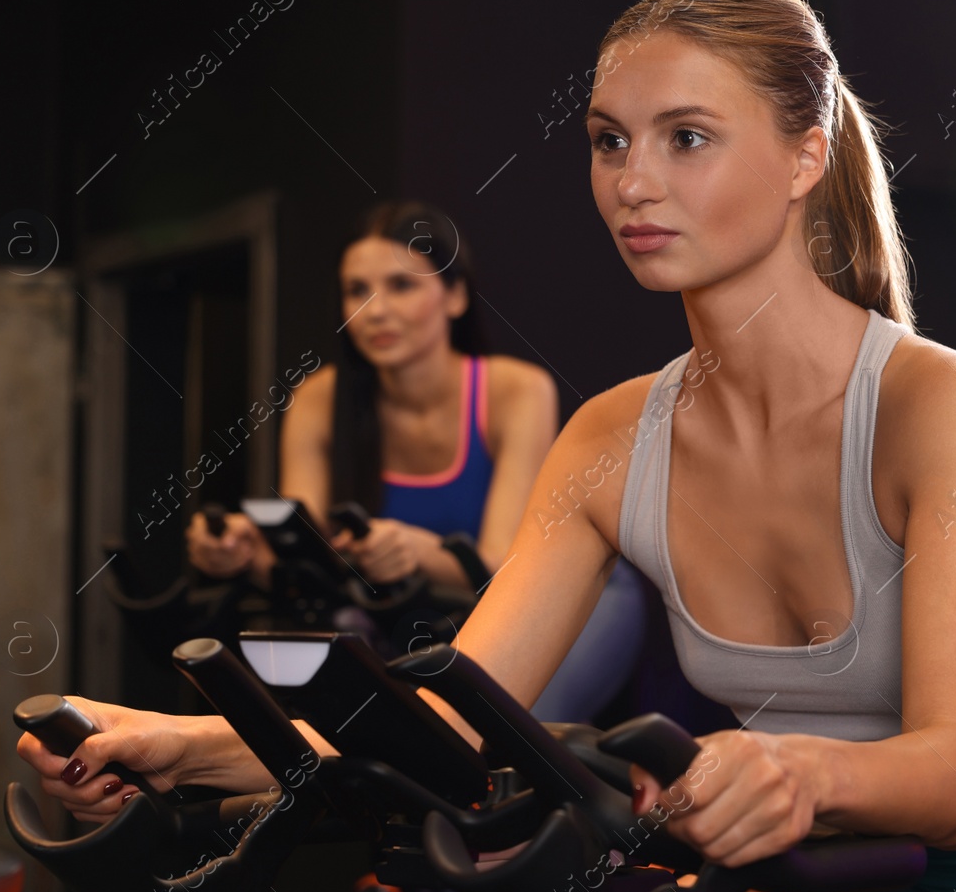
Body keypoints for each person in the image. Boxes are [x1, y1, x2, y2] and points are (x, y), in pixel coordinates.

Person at [21, 0, 956, 892]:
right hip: (852, 868)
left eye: (688, 138)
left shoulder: (943, 403)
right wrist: (173, 743)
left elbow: (954, 773)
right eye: (610, 141)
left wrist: (797, 766)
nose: (633, 182)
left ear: (803, 153)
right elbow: (443, 719)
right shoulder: (610, 441)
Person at [184, 199, 651, 722]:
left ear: (454, 296)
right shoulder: (319, 399)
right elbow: (311, 566)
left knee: (508, 732)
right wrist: (240, 551)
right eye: (356, 290)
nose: (374, 309)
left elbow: (502, 568)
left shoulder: (515, 391)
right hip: (429, 614)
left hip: (567, 595)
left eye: (401, 285)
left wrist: (417, 552)